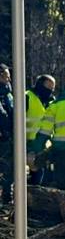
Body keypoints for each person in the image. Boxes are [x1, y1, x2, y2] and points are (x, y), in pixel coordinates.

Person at [26, 74, 55, 186]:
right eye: (48, 87)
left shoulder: (51, 102)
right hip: (28, 143)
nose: (50, 91)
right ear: (39, 84)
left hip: (44, 144)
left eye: (52, 89)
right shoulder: (27, 97)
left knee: (42, 176)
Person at [0, 65, 13, 204]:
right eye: (5, 76)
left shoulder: (8, 93)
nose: (8, 79)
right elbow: (2, 116)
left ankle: (7, 197)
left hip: (8, 137)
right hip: (3, 136)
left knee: (9, 169)